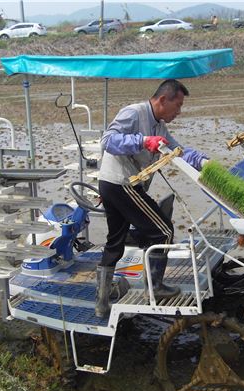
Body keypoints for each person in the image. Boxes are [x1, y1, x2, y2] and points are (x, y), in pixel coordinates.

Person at [95, 79, 208, 317]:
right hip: (121, 183)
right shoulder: (134, 113)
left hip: (115, 185)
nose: (179, 112)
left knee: (115, 241)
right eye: (177, 106)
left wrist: (201, 161)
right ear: (163, 100)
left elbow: (177, 150)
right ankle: (155, 287)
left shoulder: (159, 126)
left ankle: (101, 303)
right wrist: (143, 141)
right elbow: (107, 141)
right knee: (163, 231)